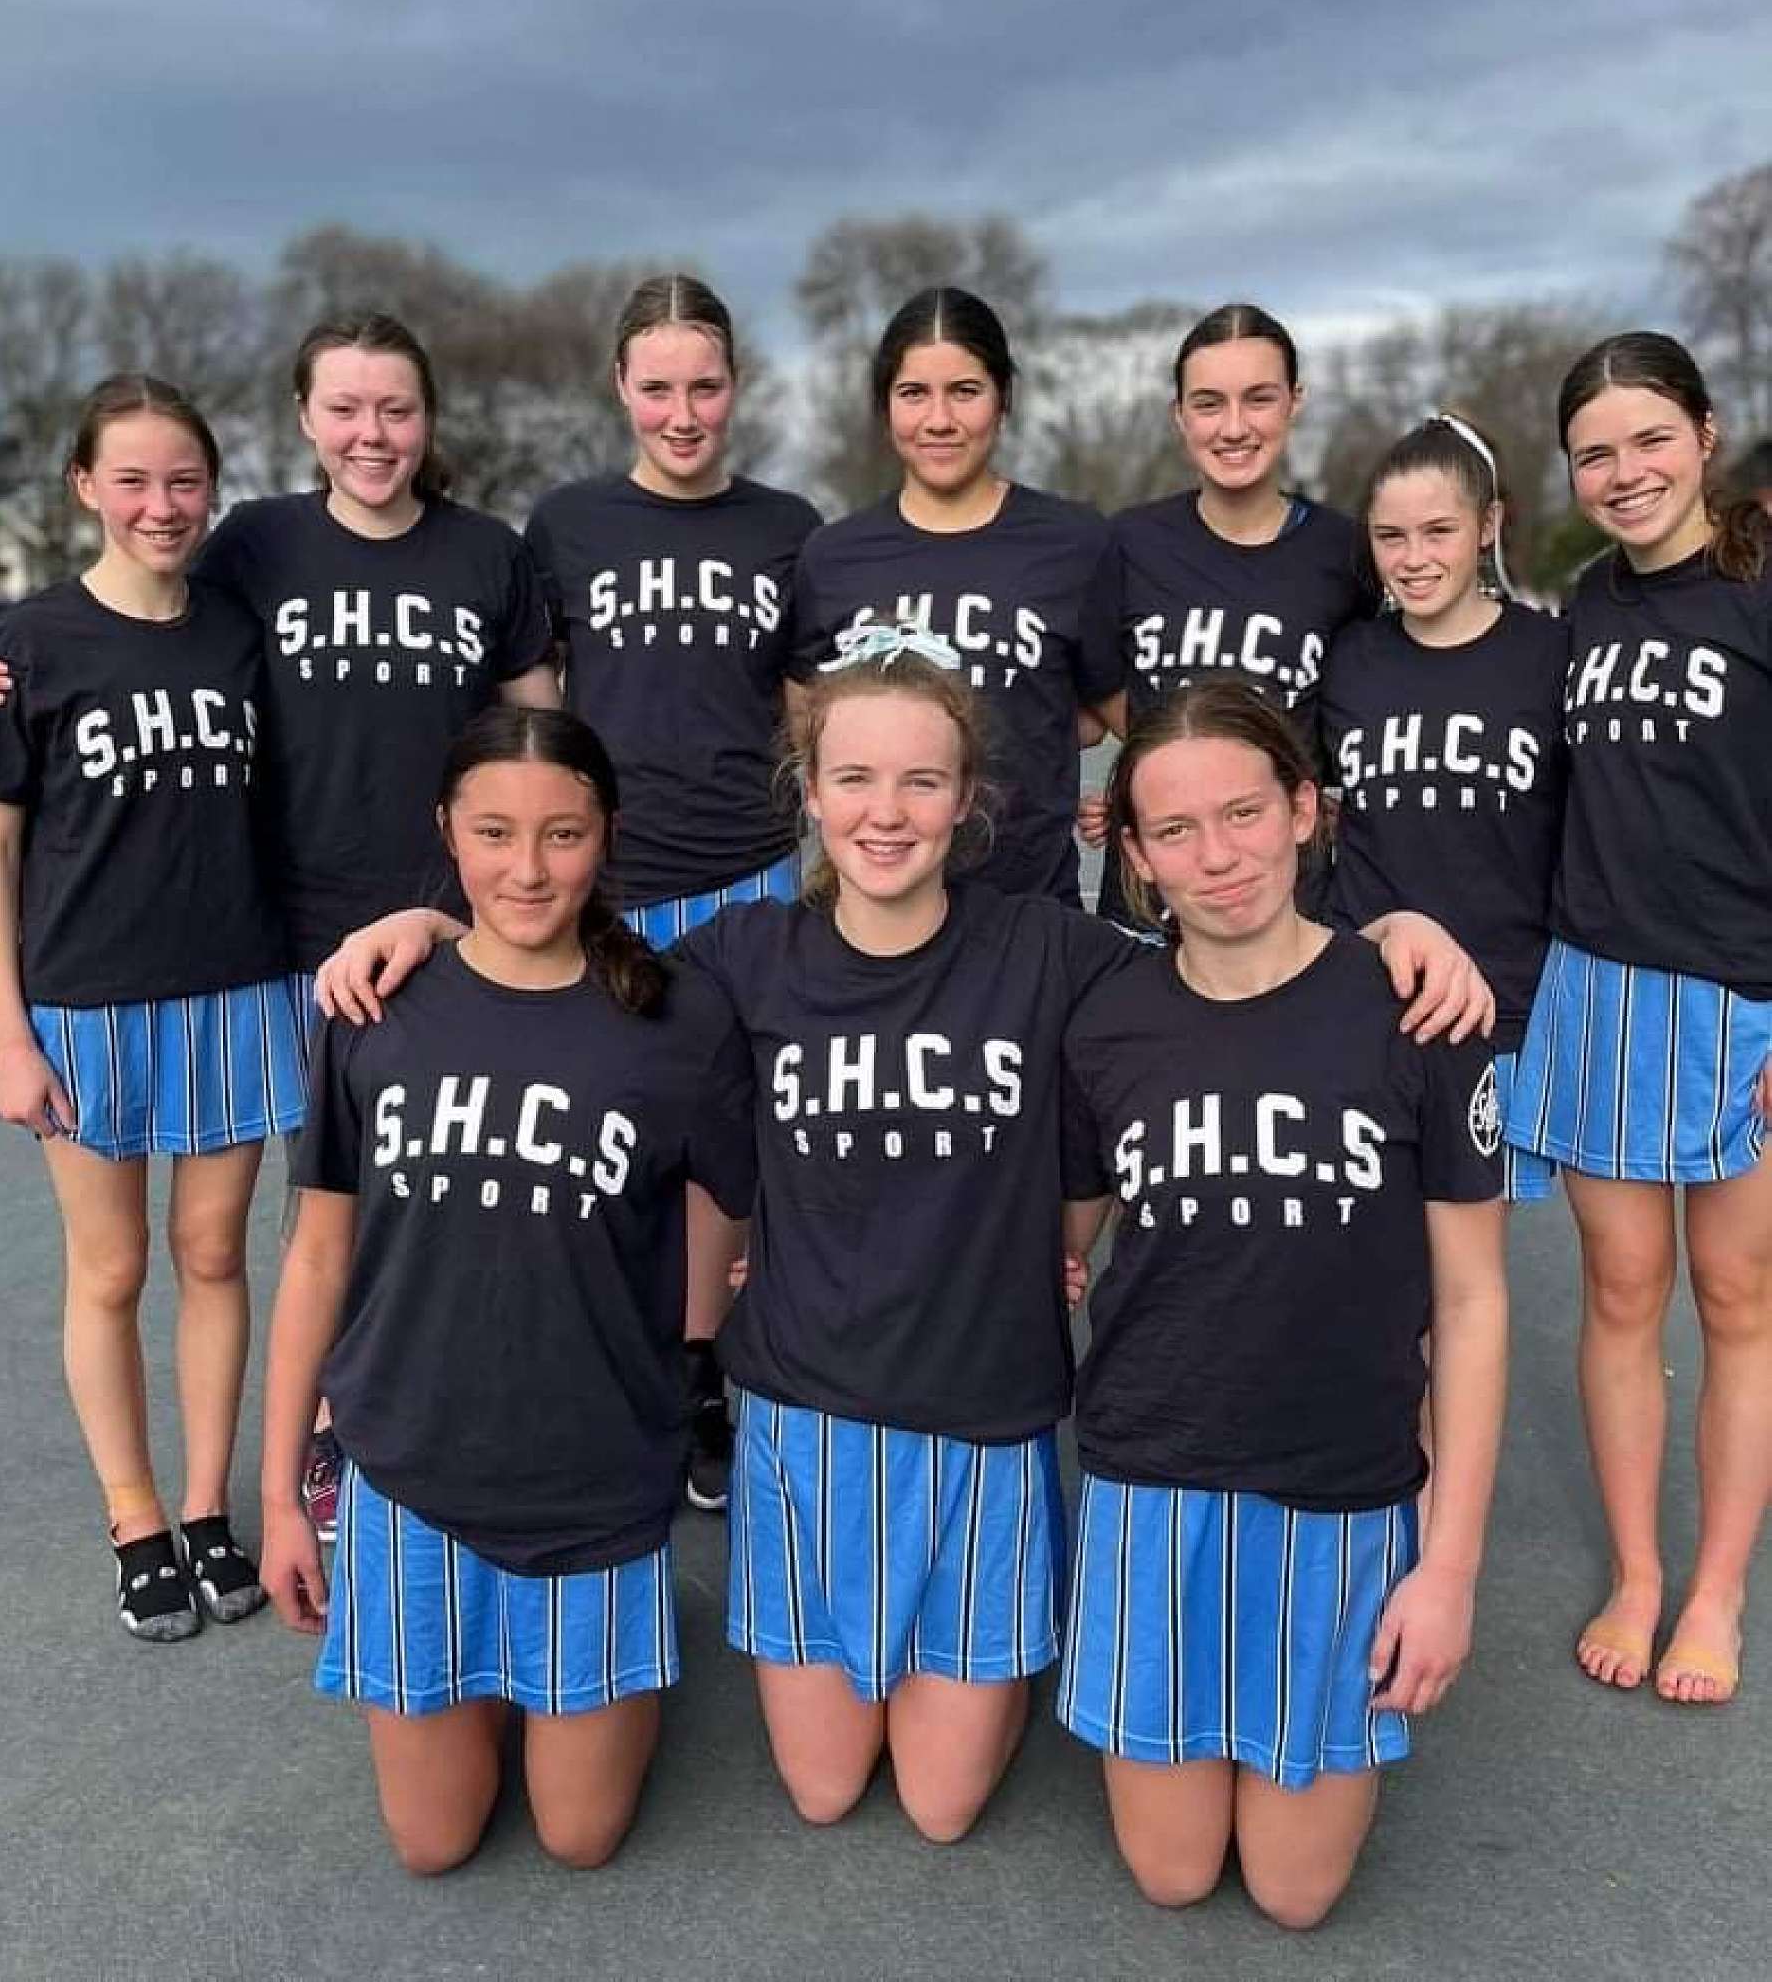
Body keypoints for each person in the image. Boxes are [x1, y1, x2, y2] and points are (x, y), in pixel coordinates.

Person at [318, 632, 1495, 1845]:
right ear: (809, 791)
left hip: (984, 1420)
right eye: (855, 778)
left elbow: (1230, 954)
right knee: (825, 1787)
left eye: (921, 781)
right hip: (804, 1416)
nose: (885, 812)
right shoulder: (743, 956)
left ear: (967, 797)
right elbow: (564, 969)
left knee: (939, 1805)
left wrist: (1394, 933)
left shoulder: (1047, 951)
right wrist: (428, 926)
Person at [0, 310, 559, 1542]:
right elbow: (130, 618)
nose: (371, 433)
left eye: (395, 408)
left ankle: (466, 1424)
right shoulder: (253, 548)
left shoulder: (486, 553)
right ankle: (320, 1438)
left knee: (468, 1192)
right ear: (304, 419)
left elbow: (537, 737)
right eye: (345, 408)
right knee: (318, 1215)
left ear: (427, 418)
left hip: (452, 930)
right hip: (285, 942)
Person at [257, 705, 752, 1875]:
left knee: (580, 1835)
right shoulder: (375, 1003)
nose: (526, 868)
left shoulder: (676, 1016)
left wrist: (695, 1344)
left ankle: (611, 1640)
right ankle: (489, 1657)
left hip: (592, 1477)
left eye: (561, 834)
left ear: (606, 833)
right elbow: (317, 1256)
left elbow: (744, 1205)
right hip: (414, 1468)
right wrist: (280, 1497)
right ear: (446, 829)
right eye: (492, 833)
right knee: (432, 1842)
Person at [1059, 679, 1508, 1927]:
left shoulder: (1416, 1007)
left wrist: (1449, 1567)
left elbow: (1473, 1300)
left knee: (1294, 1890)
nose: (1218, 855)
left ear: (1306, 808)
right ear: (1135, 855)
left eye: (1244, 811)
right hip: (1154, 1473)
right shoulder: (1107, 1022)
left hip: (1340, 1486)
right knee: (1173, 1871)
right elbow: (1062, 1238)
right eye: (1177, 829)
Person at [0, 375, 306, 1641]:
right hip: (87, 1002)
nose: (162, 505)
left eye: (184, 480)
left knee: (214, 1253)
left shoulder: (240, 630)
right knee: (110, 1266)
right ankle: (135, 1517)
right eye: (135, 480)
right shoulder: (30, 642)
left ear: (211, 487)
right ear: (86, 487)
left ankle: (207, 1506)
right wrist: (8, 1034)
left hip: (233, 983)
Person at [1505, 332, 1772, 1705]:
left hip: (1742, 999)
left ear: (1704, 435)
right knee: (1620, 1290)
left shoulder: (1757, 587)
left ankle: (1715, 1589)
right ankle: (1637, 1570)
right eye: (1594, 453)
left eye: (1649, 439)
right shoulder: (1588, 608)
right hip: (1600, 985)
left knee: (1736, 1294)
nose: (1624, 472)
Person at [525, 273, 820, 1510]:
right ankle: (601, 1365)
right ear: (621, 388)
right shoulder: (567, 524)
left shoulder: (786, 526)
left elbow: (807, 711)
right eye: (658, 387)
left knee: (724, 1143)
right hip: (612, 881)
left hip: (747, 876)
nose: (683, 412)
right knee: (596, 1135)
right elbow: (536, 705)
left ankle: (698, 1368)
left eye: (704, 385)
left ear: (735, 385)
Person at [787, 286, 1127, 909]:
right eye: (914, 393)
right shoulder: (833, 557)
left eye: (965, 391)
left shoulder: (1074, 543)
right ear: (884, 404)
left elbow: (1116, 713)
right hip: (875, 912)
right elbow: (808, 724)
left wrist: (1122, 794)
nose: (939, 420)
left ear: (1004, 398)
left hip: (1030, 910)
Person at [1320, 414, 1571, 1203]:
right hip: (1367, 999)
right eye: (1389, 537)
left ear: (1487, 524)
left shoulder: (1550, 654)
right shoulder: (1347, 660)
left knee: (1471, 1241)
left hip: (1501, 1003)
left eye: (1438, 531)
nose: (1413, 558)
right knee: (1371, 1244)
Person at [1083, 303, 1370, 920]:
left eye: (1258, 399)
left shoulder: (1346, 552)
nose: (1233, 427)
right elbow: (1098, 684)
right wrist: (1165, 764)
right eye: (1209, 403)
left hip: (1289, 900)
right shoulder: (1128, 542)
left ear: (1294, 402)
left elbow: (1370, 701)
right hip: (1151, 899)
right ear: (1179, 414)